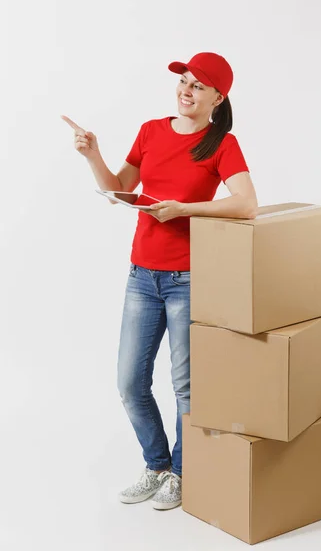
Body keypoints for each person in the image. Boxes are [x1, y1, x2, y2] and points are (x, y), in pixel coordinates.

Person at [61, 51, 258, 511]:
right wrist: (93, 155)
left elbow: (246, 203)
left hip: (188, 279)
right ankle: (158, 466)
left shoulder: (221, 143)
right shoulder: (151, 131)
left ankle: (183, 474)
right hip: (141, 276)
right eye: (183, 82)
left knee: (185, 385)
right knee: (130, 382)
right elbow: (119, 191)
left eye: (197, 86)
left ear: (217, 97)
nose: (186, 91)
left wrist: (184, 208)